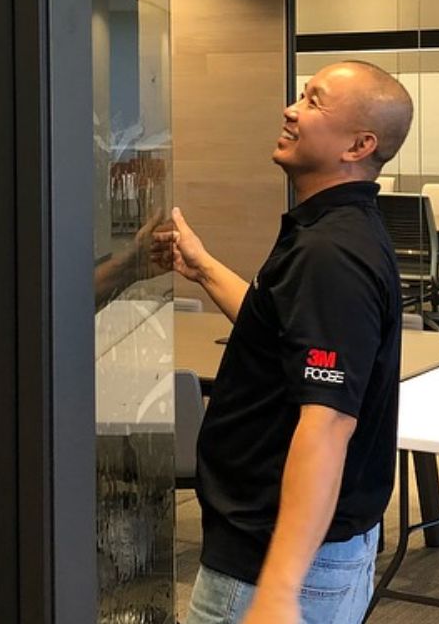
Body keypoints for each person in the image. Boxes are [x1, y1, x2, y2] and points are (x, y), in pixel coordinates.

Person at [154, 61, 414, 624]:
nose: (291, 110)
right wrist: (200, 269)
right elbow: (277, 330)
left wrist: (278, 589)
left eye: (314, 102)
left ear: (358, 144)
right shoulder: (332, 233)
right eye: (300, 95)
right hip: (298, 553)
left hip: (275, 561)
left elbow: (327, 425)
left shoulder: (331, 255)